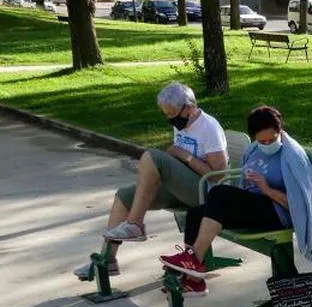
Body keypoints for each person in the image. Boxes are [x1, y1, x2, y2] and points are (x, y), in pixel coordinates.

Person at [73, 81, 229, 281]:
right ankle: (108, 259)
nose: (169, 119)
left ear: (189, 108)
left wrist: (185, 157)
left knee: (151, 156)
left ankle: (135, 224)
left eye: (172, 115)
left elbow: (219, 175)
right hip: (183, 188)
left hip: (205, 192)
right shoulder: (184, 122)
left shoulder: (209, 127)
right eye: (166, 114)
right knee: (124, 196)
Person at [157, 104, 312, 297]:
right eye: (262, 141)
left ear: (280, 130)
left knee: (221, 194)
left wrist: (266, 189)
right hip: (253, 207)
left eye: (272, 139)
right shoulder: (253, 151)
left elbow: (298, 205)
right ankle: (194, 281)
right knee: (196, 214)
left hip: (277, 213)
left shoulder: (292, 156)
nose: (267, 144)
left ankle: (192, 263)